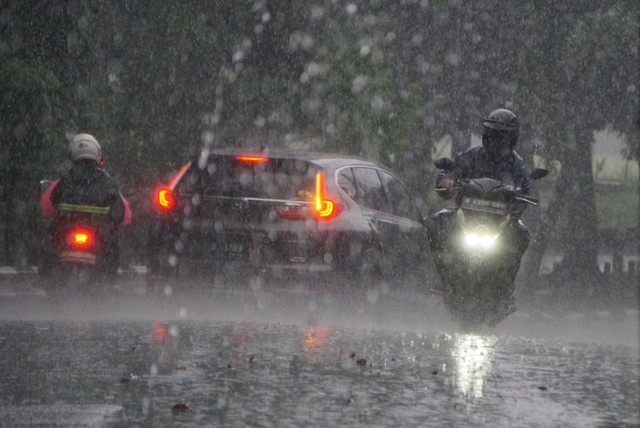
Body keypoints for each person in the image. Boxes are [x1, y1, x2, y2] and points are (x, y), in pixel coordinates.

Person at [428, 109, 531, 308]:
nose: (496, 141)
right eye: (492, 135)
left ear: (512, 139)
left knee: (522, 234)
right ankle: (440, 277)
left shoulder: (516, 165)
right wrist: (446, 181)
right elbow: (450, 172)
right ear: (485, 135)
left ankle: (505, 288)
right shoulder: (470, 156)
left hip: (498, 221)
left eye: (502, 137)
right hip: (467, 216)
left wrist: (515, 209)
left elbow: (525, 191)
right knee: (434, 223)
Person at [40, 133, 131, 278]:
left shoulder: (66, 180)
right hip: (98, 236)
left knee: (49, 239)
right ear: (97, 155)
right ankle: (111, 279)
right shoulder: (107, 182)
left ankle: (47, 276)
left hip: (67, 234)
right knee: (112, 246)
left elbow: (49, 205)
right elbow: (121, 214)